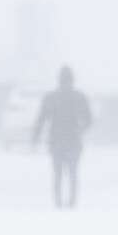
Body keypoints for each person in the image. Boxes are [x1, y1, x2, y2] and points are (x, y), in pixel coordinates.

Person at [32, 65, 94, 208]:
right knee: (72, 173)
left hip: (56, 141)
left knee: (58, 174)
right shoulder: (79, 97)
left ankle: (59, 203)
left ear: (58, 79)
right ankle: (71, 202)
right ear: (72, 79)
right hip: (73, 141)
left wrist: (35, 137)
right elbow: (89, 120)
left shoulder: (51, 98)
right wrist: (81, 129)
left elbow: (41, 119)